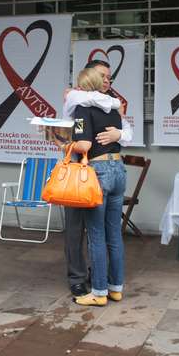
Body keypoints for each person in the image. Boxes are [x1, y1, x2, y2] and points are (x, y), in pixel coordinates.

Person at [61, 60, 132, 297]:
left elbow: (85, 143)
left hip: (94, 171)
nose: (107, 81)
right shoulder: (107, 104)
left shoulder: (98, 103)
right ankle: (112, 286)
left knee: (96, 235)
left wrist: (65, 144)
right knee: (103, 232)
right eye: (102, 76)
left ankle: (99, 288)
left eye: (109, 77)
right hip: (111, 170)